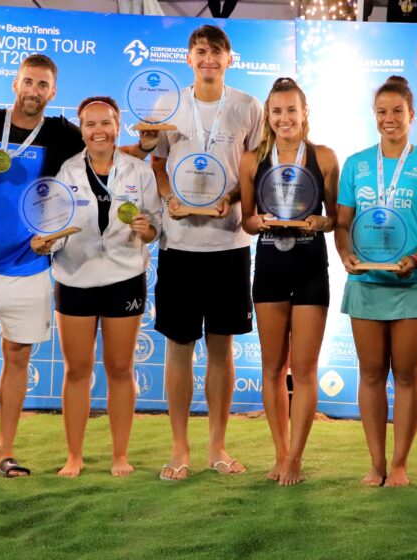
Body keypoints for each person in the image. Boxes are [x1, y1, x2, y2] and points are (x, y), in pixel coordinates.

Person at [0, 54, 84, 485]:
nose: (34, 91)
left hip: (29, 267)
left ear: (53, 92)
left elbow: (101, 157)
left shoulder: (62, 133)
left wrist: (148, 152)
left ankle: (4, 451)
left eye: (43, 85)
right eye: (28, 82)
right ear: (15, 83)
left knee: (17, 358)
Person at [149, 25, 262, 481]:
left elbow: (252, 171)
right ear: (189, 58)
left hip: (227, 244)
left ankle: (217, 445)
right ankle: (179, 448)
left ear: (229, 59)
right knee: (179, 348)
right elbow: (156, 162)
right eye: (201, 52)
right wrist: (167, 198)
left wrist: (231, 201)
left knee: (221, 347)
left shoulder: (247, 107)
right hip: (179, 244)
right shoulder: (169, 105)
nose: (209, 59)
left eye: (217, 52)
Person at [31, 97, 161, 477]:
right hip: (75, 277)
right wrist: (46, 241)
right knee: (77, 370)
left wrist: (146, 230)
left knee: (120, 369)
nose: (98, 130)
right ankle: (75, 456)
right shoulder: (66, 171)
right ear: (81, 128)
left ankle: (120, 455)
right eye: (90, 124)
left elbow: (153, 227)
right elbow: (52, 228)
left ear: (118, 126)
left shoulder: (139, 171)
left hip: (124, 277)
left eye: (105, 122)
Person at [334, 75, 417, 487]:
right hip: (367, 283)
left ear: (411, 115)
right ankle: (376, 463)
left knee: (406, 376)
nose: (389, 119)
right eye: (382, 112)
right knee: (370, 374)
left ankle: (400, 464)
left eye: (397, 111)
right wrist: (344, 253)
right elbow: (343, 224)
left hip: (412, 284)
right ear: (374, 116)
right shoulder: (356, 164)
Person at [239, 77, 339, 486]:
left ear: (305, 112)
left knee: (305, 369)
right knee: (272, 367)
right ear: (268, 115)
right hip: (269, 269)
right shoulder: (250, 161)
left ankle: (296, 455)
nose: (284, 118)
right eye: (276, 111)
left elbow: (336, 218)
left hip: (311, 267)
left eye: (291, 110)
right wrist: (257, 221)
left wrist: (322, 222)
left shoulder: (325, 157)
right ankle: (279, 452)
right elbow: (246, 221)